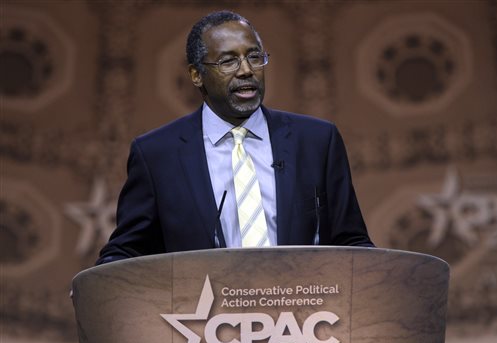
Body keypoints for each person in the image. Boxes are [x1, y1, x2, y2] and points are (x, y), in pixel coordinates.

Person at [96, 10, 373, 265]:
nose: (246, 70)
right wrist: (100, 284)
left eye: (254, 57)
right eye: (228, 61)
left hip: (306, 312)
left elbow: (352, 242)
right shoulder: (157, 155)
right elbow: (127, 250)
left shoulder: (317, 141)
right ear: (196, 75)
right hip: (203, 314)